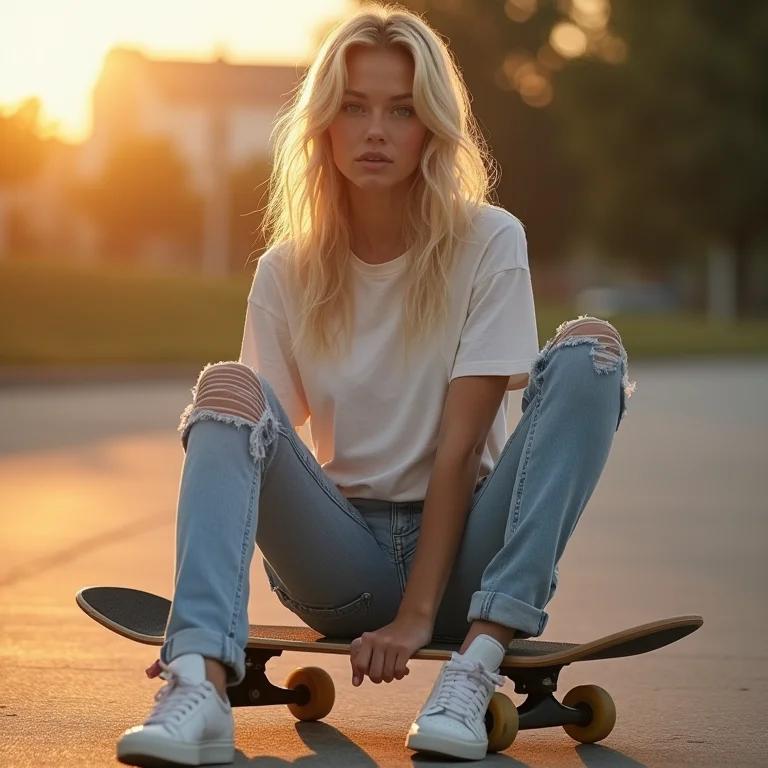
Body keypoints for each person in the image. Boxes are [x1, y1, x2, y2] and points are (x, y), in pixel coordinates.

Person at [117, 4, 634, 766]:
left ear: (432, 128)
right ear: (324, 123)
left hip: (468, 561)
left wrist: (421, 615)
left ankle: (477, 663)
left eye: (402, 110)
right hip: (340, 564)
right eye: (354, 108)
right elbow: (258, 440)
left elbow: (460, 449)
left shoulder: (489, 240)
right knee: (227, 390)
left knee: (593, 350)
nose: (376, 131)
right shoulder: (285, 270)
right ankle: (197, 680)